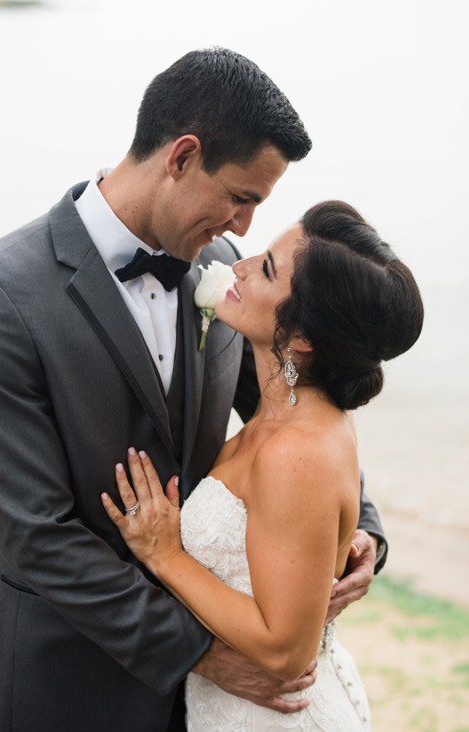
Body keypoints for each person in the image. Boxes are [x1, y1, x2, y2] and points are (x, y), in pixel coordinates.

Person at [0, 48, 387, 731]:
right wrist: (199, 652)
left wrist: (363, 528)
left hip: (213, 703)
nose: (243, 228)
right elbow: (35, 533)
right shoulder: (2, 293)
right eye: (241, 197)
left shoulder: (233, 276)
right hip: (67, 681)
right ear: (181, 156)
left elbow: (293, 413)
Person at [103, 201, 423, 730]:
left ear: (302, 338)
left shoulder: (295, 452)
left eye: (267, 269)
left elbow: (285, 652)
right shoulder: (294, 416)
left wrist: (165, 555)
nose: (240, 266)